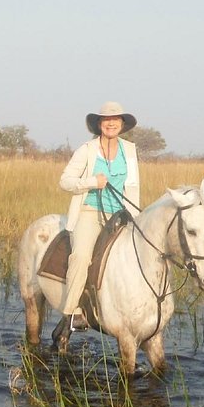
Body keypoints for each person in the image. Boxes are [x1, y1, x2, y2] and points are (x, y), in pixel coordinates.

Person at [57, 101, 141, 331]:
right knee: (82, 257)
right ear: (99, 124)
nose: (111, 123)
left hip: (120, 216)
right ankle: (70, 314)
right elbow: (65, 181)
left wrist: (135, 218)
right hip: (90, 212)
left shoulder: (130, 150)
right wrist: (92, 182)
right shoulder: (87, 149)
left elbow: (133, 187)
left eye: (115, 119)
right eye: (106, 119)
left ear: (122, 124)